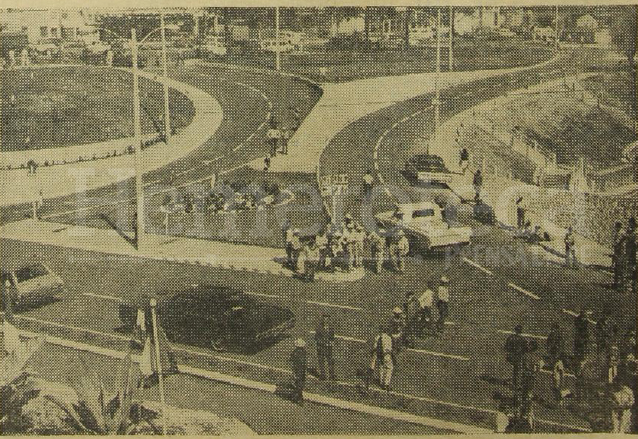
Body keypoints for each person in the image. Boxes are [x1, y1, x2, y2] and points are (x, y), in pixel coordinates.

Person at [368, 326, 394, 391]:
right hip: (386, 355)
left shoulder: (377, 337)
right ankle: (386, 384)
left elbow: (375, 347)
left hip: (379, 355)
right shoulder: (388, 338)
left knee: (381, 367)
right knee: (389, 368)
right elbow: (389, 349)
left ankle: (381, 382)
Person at [505, 325, 528, 390]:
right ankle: (517, 384)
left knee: (515, 370)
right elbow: (525, 349)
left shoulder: (510, 337)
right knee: (519, 370)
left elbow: (506, 347)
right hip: (518, 357)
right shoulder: (523, 339)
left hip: (511, 357)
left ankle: (514, 383)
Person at [314, 314, 336, 380]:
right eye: (325, 318)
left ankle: (331, 375)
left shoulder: (331, 327)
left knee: (330, 361)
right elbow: (316, 338)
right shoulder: (319, 327)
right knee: (321, 361)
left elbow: (332, 336)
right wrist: (324, 343)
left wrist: (332, 341)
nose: (326, 320)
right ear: (323, 319)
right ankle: (323, 375)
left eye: (327, 318)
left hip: (328, 347)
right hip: (321, 347)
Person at [289, 338, 307, 404]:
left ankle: (297, 396)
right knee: (301, 383)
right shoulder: (304, 352)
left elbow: (290, 360)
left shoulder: (295, 352)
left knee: (297, 383)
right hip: (302, 370)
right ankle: (298, 396)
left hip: (297, 370)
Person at [622, 217, 636, 293]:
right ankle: (629, 285)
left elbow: (632, 239)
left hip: (633, 252)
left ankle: (632, 286)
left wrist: (628, 235)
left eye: (630, 223)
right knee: (629, 267)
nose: (629, 224)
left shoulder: (635, 232)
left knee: (632, 268)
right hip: (629, 251)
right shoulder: (629, 230)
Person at [612, 221, 625, 291]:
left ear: (618, 226)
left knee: (620, 268)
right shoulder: (618, 232)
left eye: (616, 227)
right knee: (617, 268)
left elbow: (617, 242)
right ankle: (616, 283)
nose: (615, 228)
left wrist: (614, 244)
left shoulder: (621, 233)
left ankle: (621, 284)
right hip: (618, 252)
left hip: (621, 252)